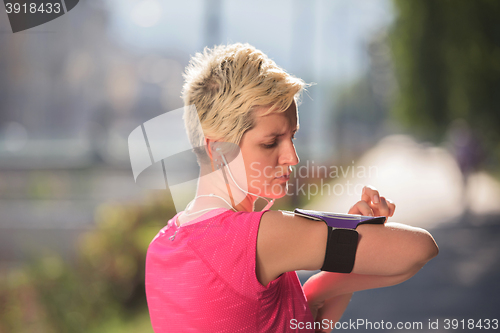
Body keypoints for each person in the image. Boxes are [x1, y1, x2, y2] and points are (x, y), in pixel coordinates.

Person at [145, 43, 439, 333]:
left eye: (292, 137)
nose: (292, 158)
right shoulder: (258, 236)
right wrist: (343, 239)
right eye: (271, 142)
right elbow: (419, 249)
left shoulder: (160, 249)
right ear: (218, 150)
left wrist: (329, 270)